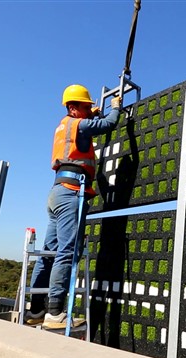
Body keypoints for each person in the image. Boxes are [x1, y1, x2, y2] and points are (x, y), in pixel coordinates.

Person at [25, 84, 121, 329]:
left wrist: (92, 113)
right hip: (71, 193)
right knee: (66, 252)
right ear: (73, 107)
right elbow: (108, 125)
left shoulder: (65, 125)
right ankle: (55, 312)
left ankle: (36, 310)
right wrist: (114, 108)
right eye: (86, 106)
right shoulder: (79, 124)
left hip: (57, 191)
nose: (89, 109)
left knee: (48, 253)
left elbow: (86, 130)